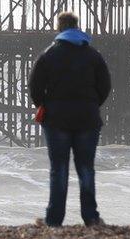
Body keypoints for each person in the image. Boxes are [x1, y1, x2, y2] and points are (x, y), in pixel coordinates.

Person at [29, 12, 111, 227]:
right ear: (77, 27)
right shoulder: (94, 55)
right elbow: (105, 86)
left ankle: (54, 220)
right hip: (88, 118)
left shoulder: (48, 54)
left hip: (56, 120)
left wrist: (44, 105)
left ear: (60, 28)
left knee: (59, 169)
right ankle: (91, 218)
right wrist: (92, 104)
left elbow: (35, 87)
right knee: (86, 168)